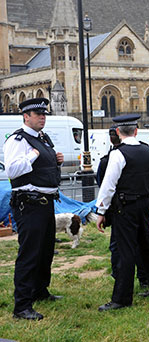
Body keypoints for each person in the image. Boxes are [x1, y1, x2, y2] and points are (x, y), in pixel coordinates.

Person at [95, 114, 149, 311]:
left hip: (125, 207)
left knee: (126, 251)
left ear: (118, 132)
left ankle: (122, 298)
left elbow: (109, 185)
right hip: (143, 205)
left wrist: (101, 211)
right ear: (136, 131)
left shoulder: (118, 154)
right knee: (146, 247)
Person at [3, 98, 64, 320]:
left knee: (46, 251)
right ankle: (22, 306)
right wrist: (33, 155)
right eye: (37, 114)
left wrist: (56, 160)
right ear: (25, 116)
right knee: (29, 254)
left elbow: (45, 168)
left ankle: (40, 291)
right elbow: (12, 170)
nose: (42, 117)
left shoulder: (43, 138)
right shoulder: (18, 140)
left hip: (46, 202)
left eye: (44, 114)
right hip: (29, 203)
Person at [97, 126, 149, 290]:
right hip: (133, 205)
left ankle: (124, 280)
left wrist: (101, 210)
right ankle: (143, 279)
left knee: (121, 246)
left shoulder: (113, 157)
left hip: (121, 206)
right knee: (139, 244)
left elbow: (105, 186)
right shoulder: (144, 152)